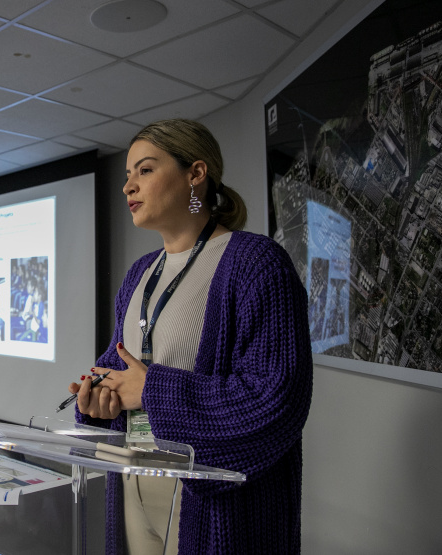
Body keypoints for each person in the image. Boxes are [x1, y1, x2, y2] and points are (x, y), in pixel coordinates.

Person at [68, 119, 313, 555]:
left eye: (144, 170)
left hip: (211, 499)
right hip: (132, 478)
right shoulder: (139, 274)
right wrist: (99, 398)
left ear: (195, 174)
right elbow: (119, 366)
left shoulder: (257, 264)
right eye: (127, 175)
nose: (128, 187)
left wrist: (153, 389)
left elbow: (276, 400)